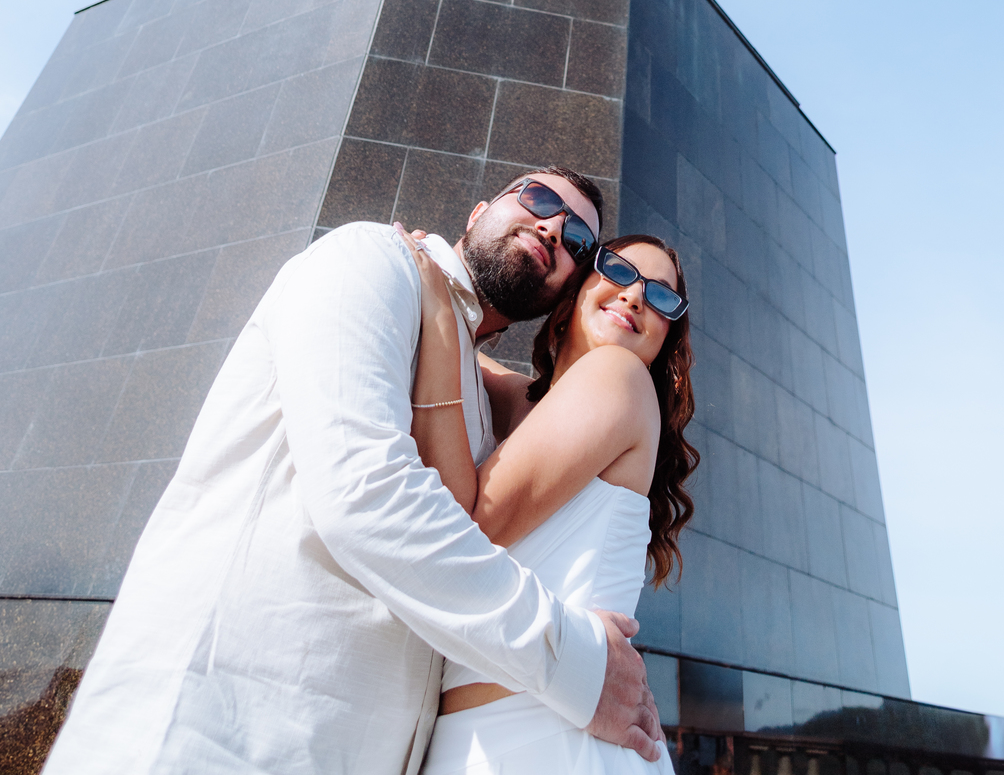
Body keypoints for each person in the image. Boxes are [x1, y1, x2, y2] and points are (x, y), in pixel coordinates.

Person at [44, 170, 664, 775]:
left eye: (578, 239)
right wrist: (581, 663)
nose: (554, 227)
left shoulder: (484, 405)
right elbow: (367, 497)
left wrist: (449, 324)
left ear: (566, 287)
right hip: (218, 726)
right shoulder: (374, 261)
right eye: (537, 198)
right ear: (479, 212)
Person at [396, 223, 698, 775]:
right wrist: (435, 278)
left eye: (661, 296)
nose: (635, 295)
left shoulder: (618, 376)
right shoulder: (535, 405)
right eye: (620, 272)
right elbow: (482, 370)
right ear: (572, 297)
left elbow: (465, 526)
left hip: (553, 739)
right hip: (484, 738)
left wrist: (438, 309)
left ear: (663, 339)